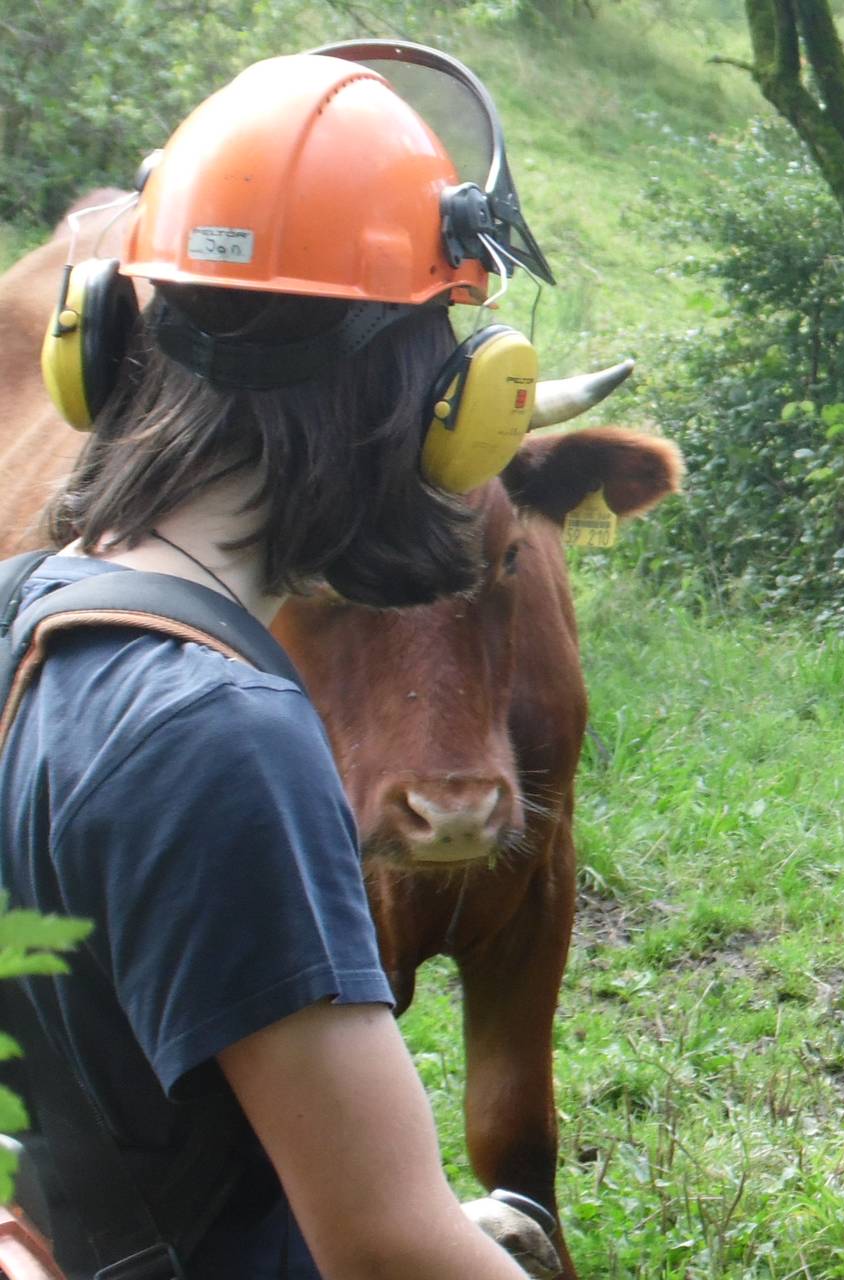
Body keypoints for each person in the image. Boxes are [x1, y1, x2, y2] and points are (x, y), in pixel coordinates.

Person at [0, 44, 568, 1279]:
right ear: (445, 401)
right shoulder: (224, 734)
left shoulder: (21, 620)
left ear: (103, 347)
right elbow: (384, 1243)